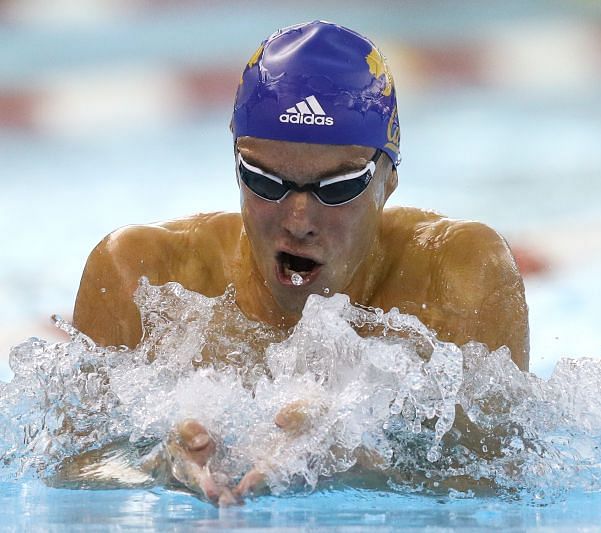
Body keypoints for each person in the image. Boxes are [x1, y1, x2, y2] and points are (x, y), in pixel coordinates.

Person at [70, 20, 529, 504]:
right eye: (265, 181)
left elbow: (502, 477)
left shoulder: (454, 273)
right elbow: (69, 467)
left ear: (388, 179)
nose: (298, 220)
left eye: (337, 189)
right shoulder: (144, 275)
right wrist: (154, 466)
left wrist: (355, 461)